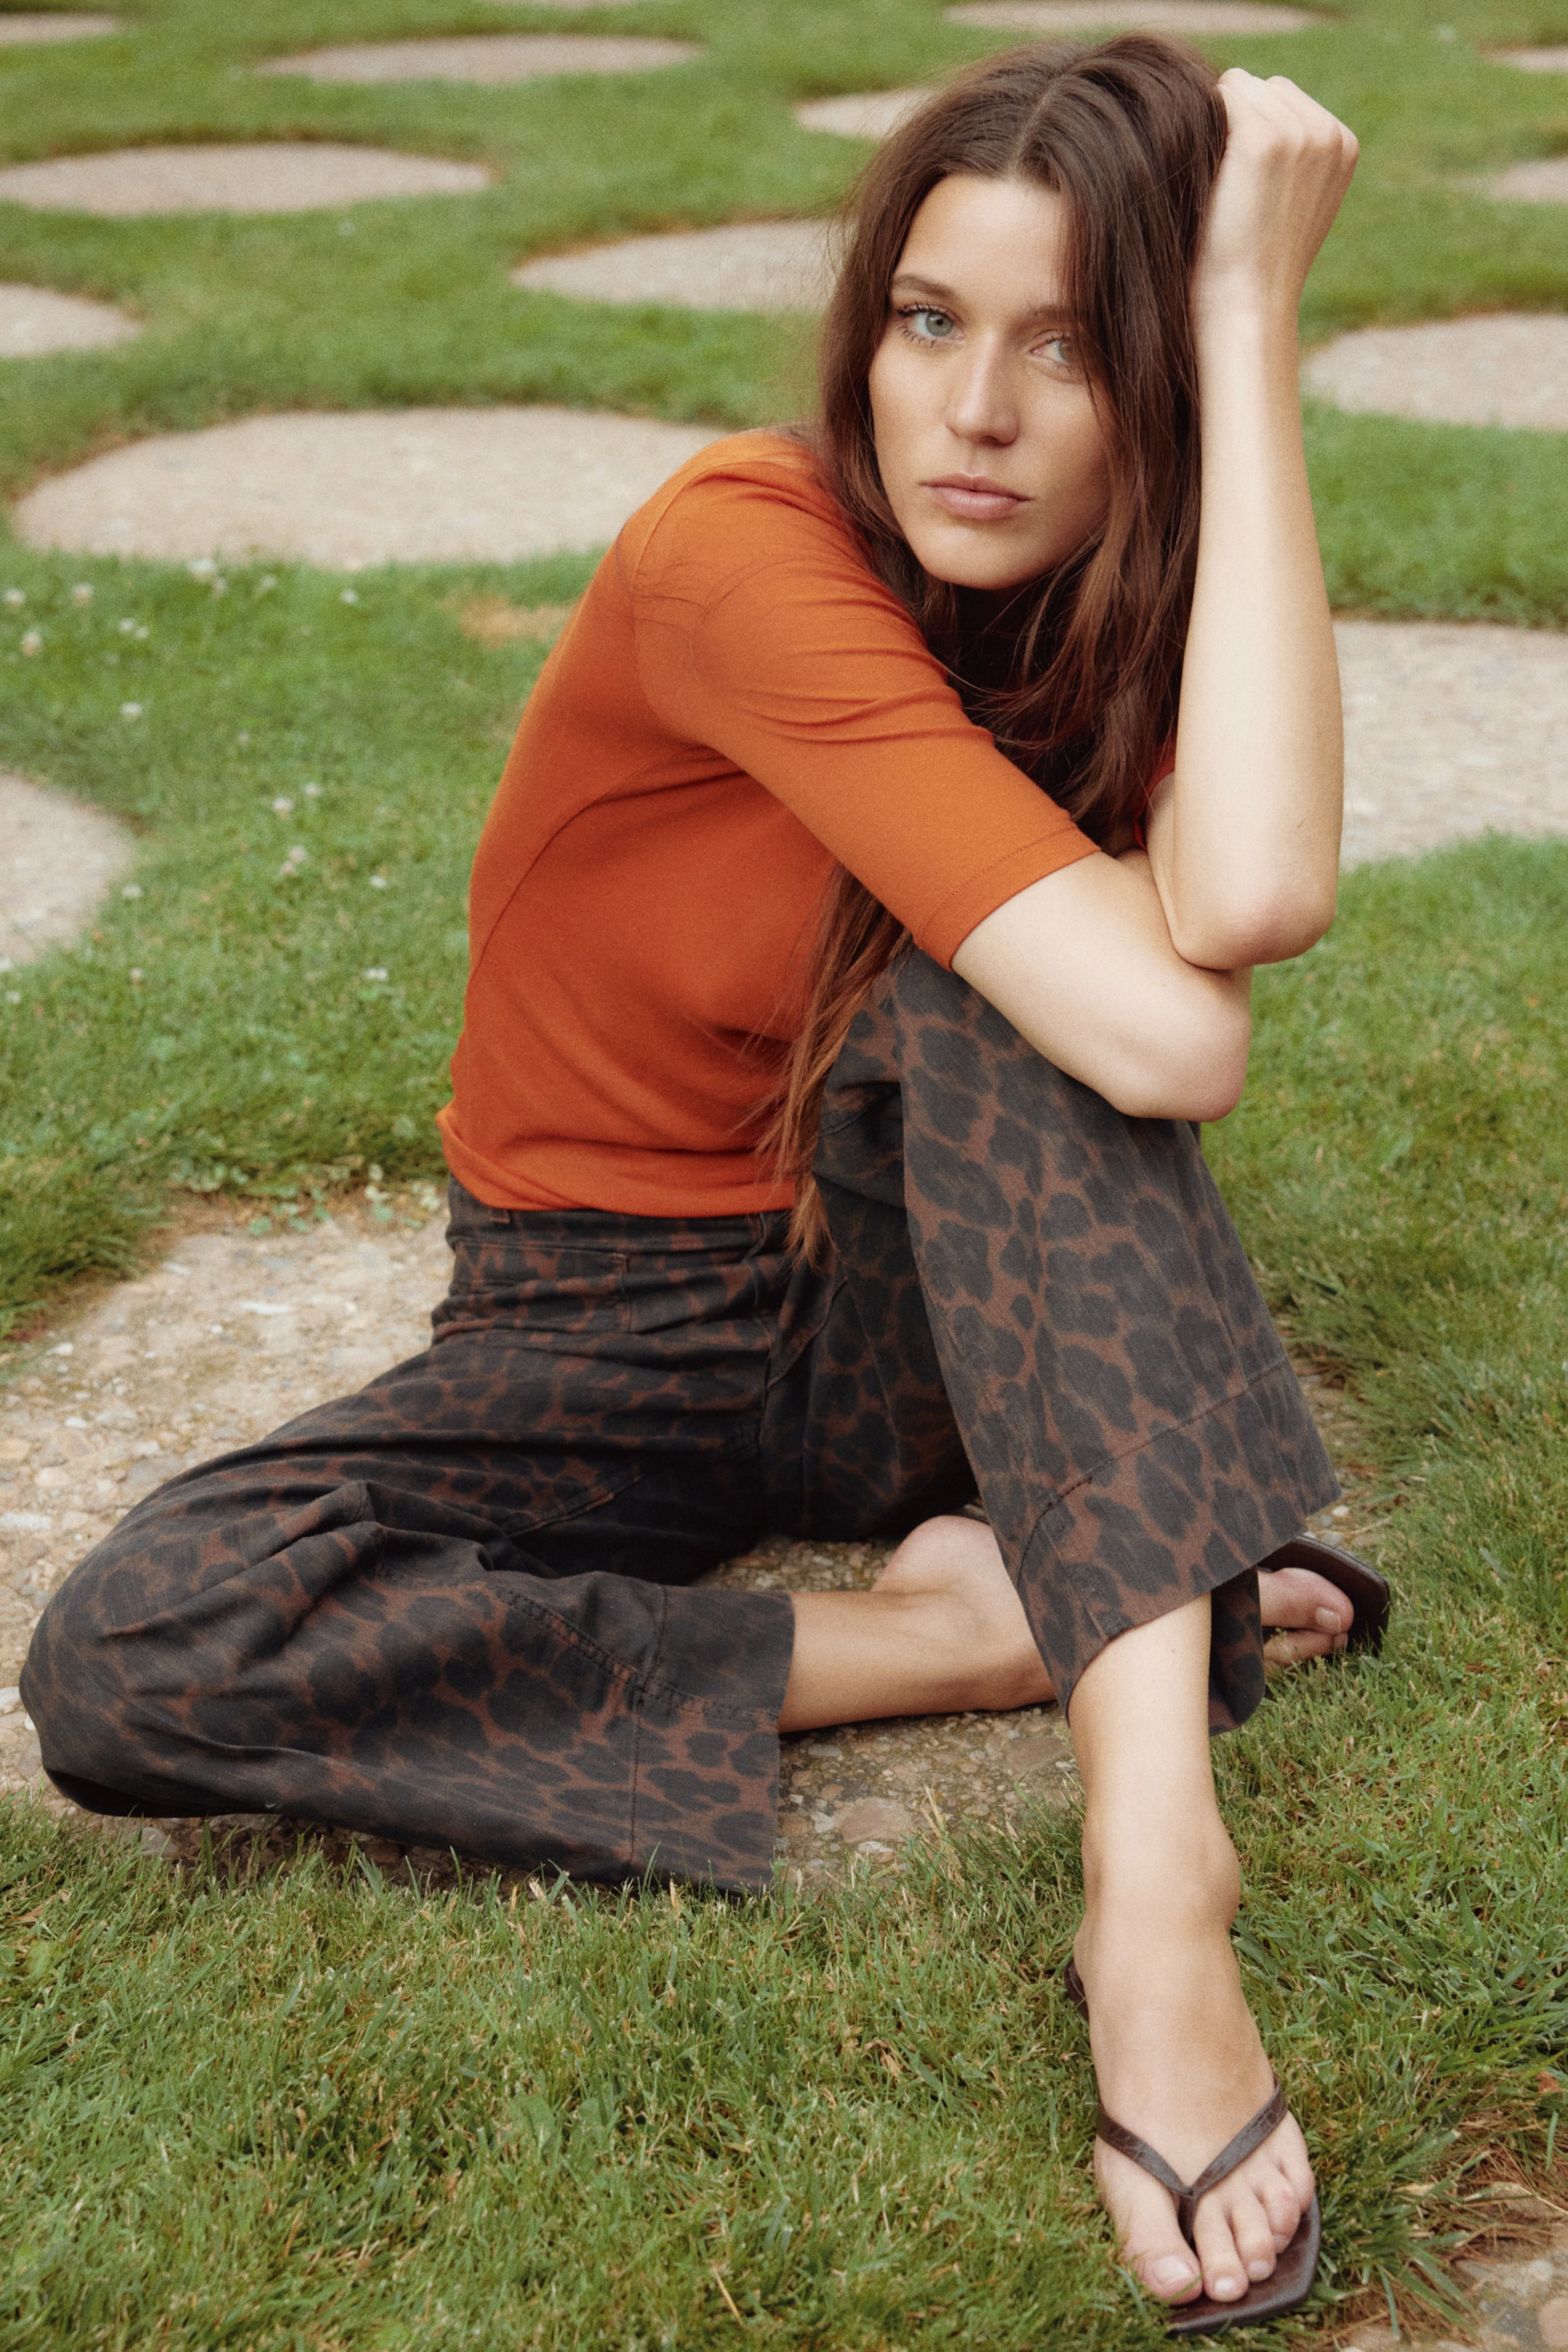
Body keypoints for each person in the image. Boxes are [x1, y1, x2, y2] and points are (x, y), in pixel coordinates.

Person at [23, 34, 1368, 2329]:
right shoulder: (740, 548)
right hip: (604, 1312)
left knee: (1009, 1007)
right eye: (928, 322)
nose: (974, 412)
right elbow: (1178, 1025)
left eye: (1071, 349)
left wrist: (1247, 327)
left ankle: (1160, 1895)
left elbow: (1237, 927)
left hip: (924, 1306)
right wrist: (942, 1641)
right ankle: (996, 1625)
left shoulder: (1125, 601)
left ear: (1153, 387)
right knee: (139, 1647)